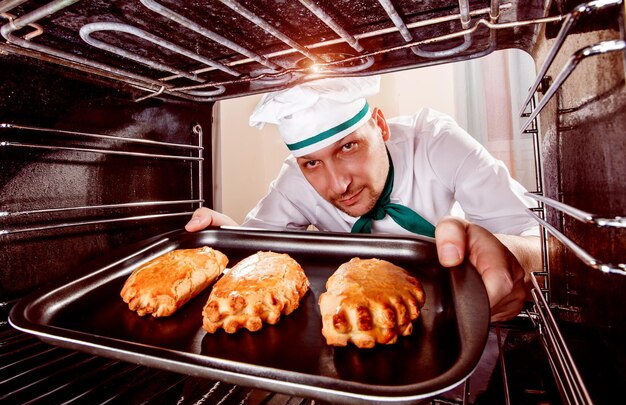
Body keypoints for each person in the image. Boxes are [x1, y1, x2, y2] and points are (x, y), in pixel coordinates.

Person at [185, 75, 542, 322]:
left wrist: (513, 257)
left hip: (452, 313)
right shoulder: (294, 180)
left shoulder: (435, 141)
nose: (338, 184)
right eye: (312, 163)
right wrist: (225, 238)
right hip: (351, 319)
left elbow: (536, 237)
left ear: (380, 126)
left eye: (348, 147)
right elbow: (257, 251)